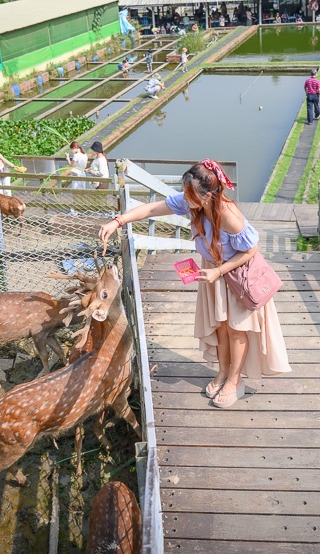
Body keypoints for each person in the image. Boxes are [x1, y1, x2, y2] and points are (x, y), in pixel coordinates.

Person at [97, 160, 291, 407]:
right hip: (214, 271)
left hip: (237, 273)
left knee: (236, 329)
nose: (184, 199)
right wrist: (118, 221)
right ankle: (222, 371)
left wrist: (218, 271)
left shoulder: (229, 215)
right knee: (220, 326)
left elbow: (252, 251)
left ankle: (235, 381)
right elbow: (152, 210)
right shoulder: (194, 203)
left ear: (208, 196)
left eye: (189, 194)